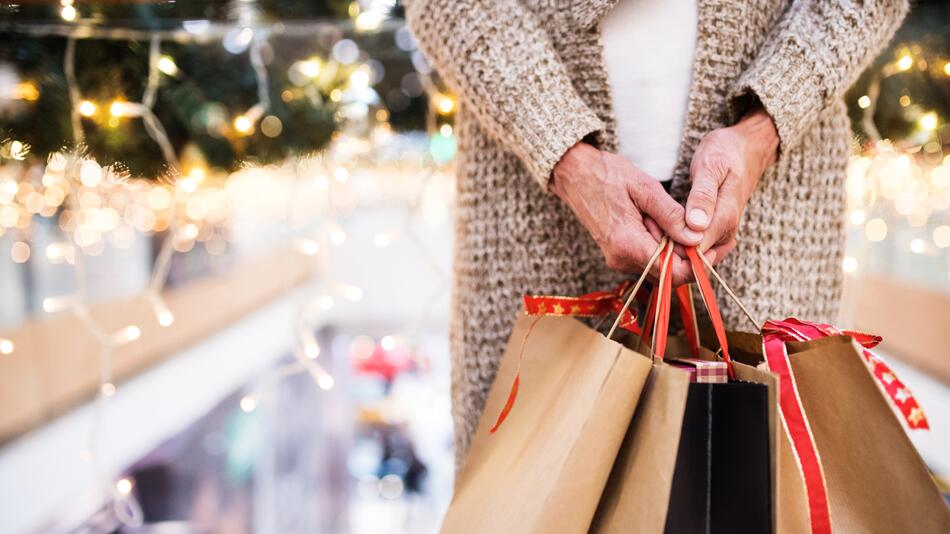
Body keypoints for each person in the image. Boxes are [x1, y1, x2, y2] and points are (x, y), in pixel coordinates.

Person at [406, 0, 908, 466]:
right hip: (530, 194)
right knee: (529, 487)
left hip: (771, 192)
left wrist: (765, 128)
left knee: (749, 481)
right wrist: (562, 150)